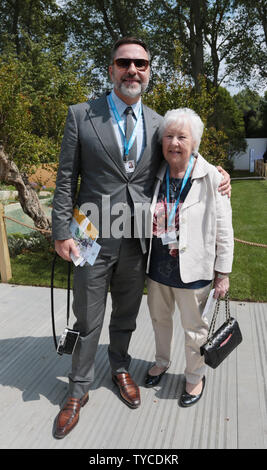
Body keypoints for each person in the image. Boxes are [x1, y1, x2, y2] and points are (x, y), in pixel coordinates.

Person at [52, 37, 231, 439]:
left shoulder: (157, 123)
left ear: (149, 71)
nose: (133, 70)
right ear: (111, 67)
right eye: (124, 62)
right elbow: (66, 181)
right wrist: (61, 231)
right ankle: (77, 389)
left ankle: (119, 367)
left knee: (126, 315)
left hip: (138, 240)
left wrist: (219, 173)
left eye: (141, 64)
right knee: (87, 316)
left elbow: (184, 151)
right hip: (90, 237)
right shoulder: (81, 115)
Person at [144, 108, 234, 407]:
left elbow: (224, 228)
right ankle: (161, 361)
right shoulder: (154, 172)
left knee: (195, 329)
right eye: (169, 136)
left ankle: (194, 376)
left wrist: (223, 273)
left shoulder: (212, 177)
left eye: (182, 137)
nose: (174, 143)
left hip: (194, 271)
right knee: (159, 319)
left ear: (194, 142)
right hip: (157, 268)